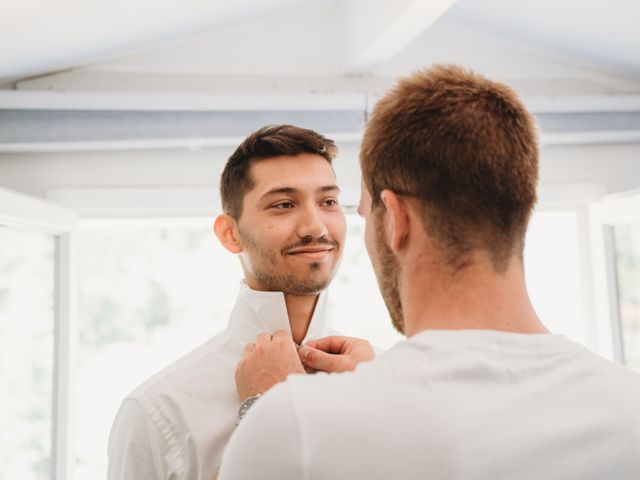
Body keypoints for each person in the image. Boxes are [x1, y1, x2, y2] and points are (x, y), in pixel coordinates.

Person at [218, 65, 640, 479]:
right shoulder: (629, 406)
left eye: (363, 213)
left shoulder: (292, 427)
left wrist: (270, 411)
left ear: (397, 219)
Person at [107, 125, 350, 479]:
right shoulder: (158, 411)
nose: (315, 226)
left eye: (328, 201)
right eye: (284, 204)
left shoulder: (384, 383)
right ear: (230, 234)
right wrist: (264, 416)